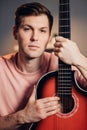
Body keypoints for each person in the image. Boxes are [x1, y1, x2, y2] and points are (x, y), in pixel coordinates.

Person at [0, 2, 87, 130]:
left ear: (49, 36)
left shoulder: (65, 65)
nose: (35, 37)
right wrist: (23, 116)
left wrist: (79, 58)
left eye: (42, 30)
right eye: (27, 29)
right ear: (15, 32)